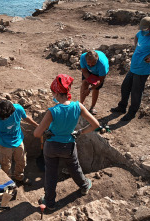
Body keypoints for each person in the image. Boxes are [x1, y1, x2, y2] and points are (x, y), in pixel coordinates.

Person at [34, 74, 100, 210]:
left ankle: (49, 202)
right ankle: (84, 186)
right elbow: (95, 124)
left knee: (51, 174)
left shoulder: (52, 111)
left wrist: (46, 132)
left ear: (57, 92)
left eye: (53, 92)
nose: (53, 95)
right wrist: (80, 132)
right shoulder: (78, 106)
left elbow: (36, 133)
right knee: (74, 167)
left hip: (51, 146)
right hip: (68, 146)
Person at [111, 17, 150, 121]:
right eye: (142, 28)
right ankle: (122, 107)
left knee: (136, 92)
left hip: (142, 70)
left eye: (145, 28)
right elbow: (136, 36)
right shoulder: (141, 33)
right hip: (134, 67)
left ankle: (131, 113)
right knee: (125, 87)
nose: (143, 30)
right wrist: (136, 47)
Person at [0, 100, 39, 185]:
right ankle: (8, 183)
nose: (2, 119)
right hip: (4, 144)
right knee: (5, 165)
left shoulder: (18, 109)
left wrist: (37, 126)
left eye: (4, 118)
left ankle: (19, 177)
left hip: (18, 139)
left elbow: (25, 117)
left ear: (11, 113)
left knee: (22, 161)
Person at [80, 50, 109, 115]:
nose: (90, 65)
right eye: (88, 63)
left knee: (96, 89)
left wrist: (90, 89)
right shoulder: (83, 57)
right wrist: (88, 80)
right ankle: (81, 104)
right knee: (84, 83)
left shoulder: (102, 65)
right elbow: (84, 71)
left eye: (93, 63)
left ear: (96, 60)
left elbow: (100, 81)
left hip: (98, 74)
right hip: (88, 72)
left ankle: (92, 107)